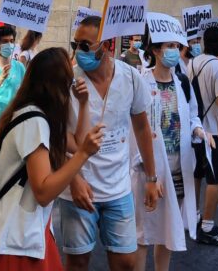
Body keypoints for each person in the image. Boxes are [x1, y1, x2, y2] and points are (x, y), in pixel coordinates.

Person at [0, 48, 104, 270]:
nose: (72, 84)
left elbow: (76, 142)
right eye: (69, 78)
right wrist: (84, 155)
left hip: (26, 235)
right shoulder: (34, 121)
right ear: (57, 83)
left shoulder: (35, 115)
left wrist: (84, 103)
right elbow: (44, 192)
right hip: (19, 242)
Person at [59, 16, 159, 271]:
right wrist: (73, 179)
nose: (78, 51)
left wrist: (151, 177)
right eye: (75, 44)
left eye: (85, 45)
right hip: (78, 190)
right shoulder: (67, 79)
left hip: (118, 188)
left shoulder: (130, 77)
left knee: (125, 261)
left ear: (107, 46)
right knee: (78, 261)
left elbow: (141, 127)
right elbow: (54, 134)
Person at [133, 36, 204, 271]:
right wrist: (149, 172)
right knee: (142, 231)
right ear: (155, 50)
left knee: (168, 228)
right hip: (150, 168)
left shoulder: (182, 82)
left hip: (178, 167)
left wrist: (198, 130)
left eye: (177, 46)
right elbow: (135, 128)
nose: (175, 51)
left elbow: (193, 114)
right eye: (169, 46)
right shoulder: (141, 83)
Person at [186, 26, 218, 246]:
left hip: (195, 130)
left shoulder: (192, 63)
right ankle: (207, 225)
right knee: (216, 178)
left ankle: (194, 216)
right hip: (215, 131)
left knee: (197, 174)